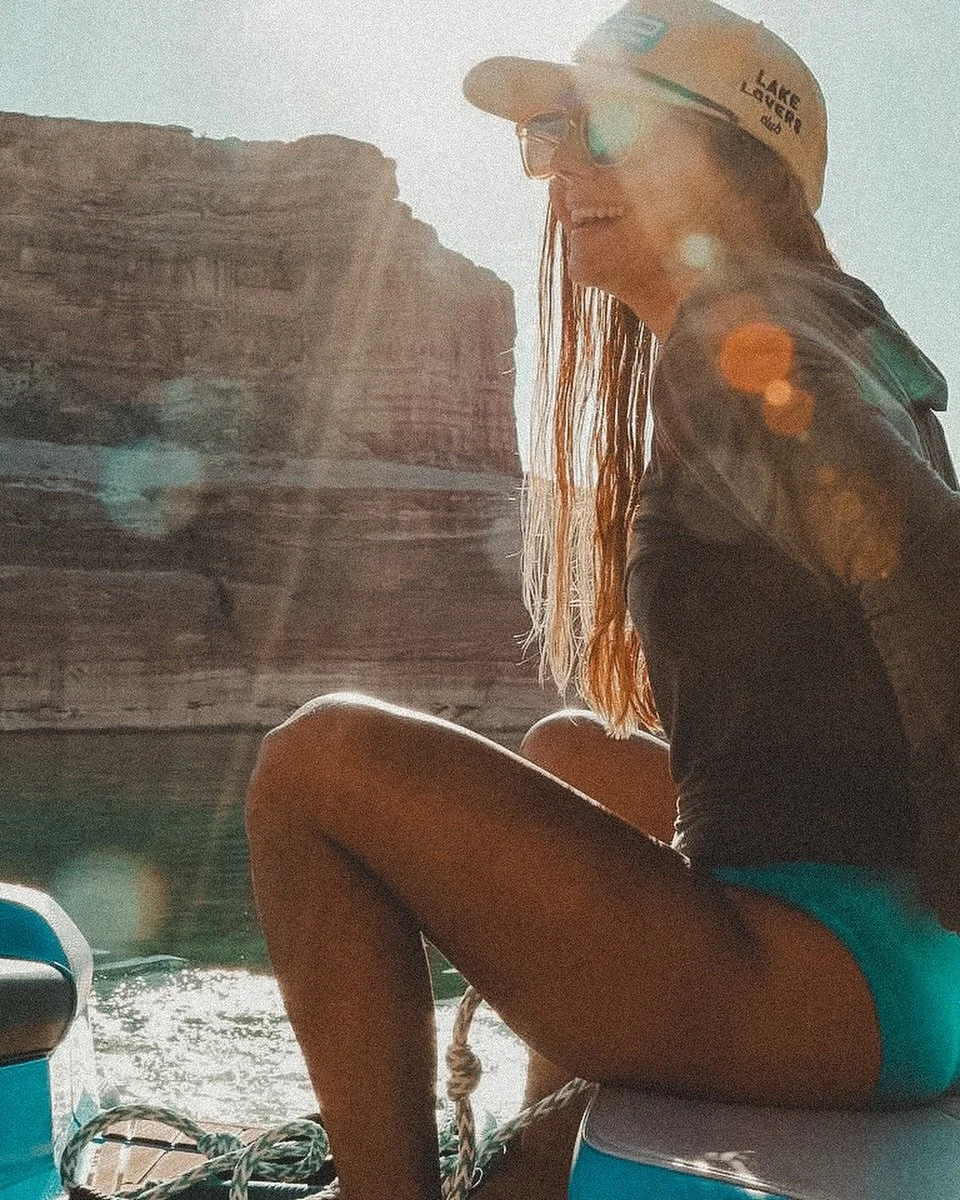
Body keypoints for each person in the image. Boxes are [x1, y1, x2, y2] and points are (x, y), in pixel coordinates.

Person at [244, 2, 960, 1198]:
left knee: (314, 764)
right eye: (551, 136)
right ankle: (551, 1160)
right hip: (903, 962)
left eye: (610, 131)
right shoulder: (819, 324)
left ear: (737, 169)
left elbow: (931, 562)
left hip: (846, 985)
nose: (566, 167)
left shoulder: (742, 341)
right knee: (571, 749)